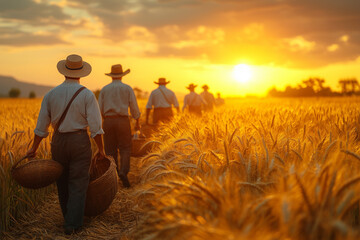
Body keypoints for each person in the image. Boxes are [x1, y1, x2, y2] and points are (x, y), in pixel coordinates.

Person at [26, 54, 105, 235]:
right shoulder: (86, 94)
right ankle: (72, 224)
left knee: (61, 180)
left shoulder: (50, 94)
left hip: (58, 141)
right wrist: (101, 149)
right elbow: (96, 127)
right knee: (78, 181)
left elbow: (41, 127)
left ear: (64, 72)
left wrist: (33, 148)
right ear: (81, 73)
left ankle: (67, 217)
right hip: (79, 141)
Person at [98, 64, 141, 188]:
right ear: (122, 76)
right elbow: (134, 108)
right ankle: (123, 172)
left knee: (110, 150)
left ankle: (115, 175)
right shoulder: (127, 88)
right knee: (125, 148)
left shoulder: (104, 89)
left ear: (111, 76)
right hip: (123, 121)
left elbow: (99, 108)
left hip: (108, 121)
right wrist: (137, 120)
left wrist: (105, 120)